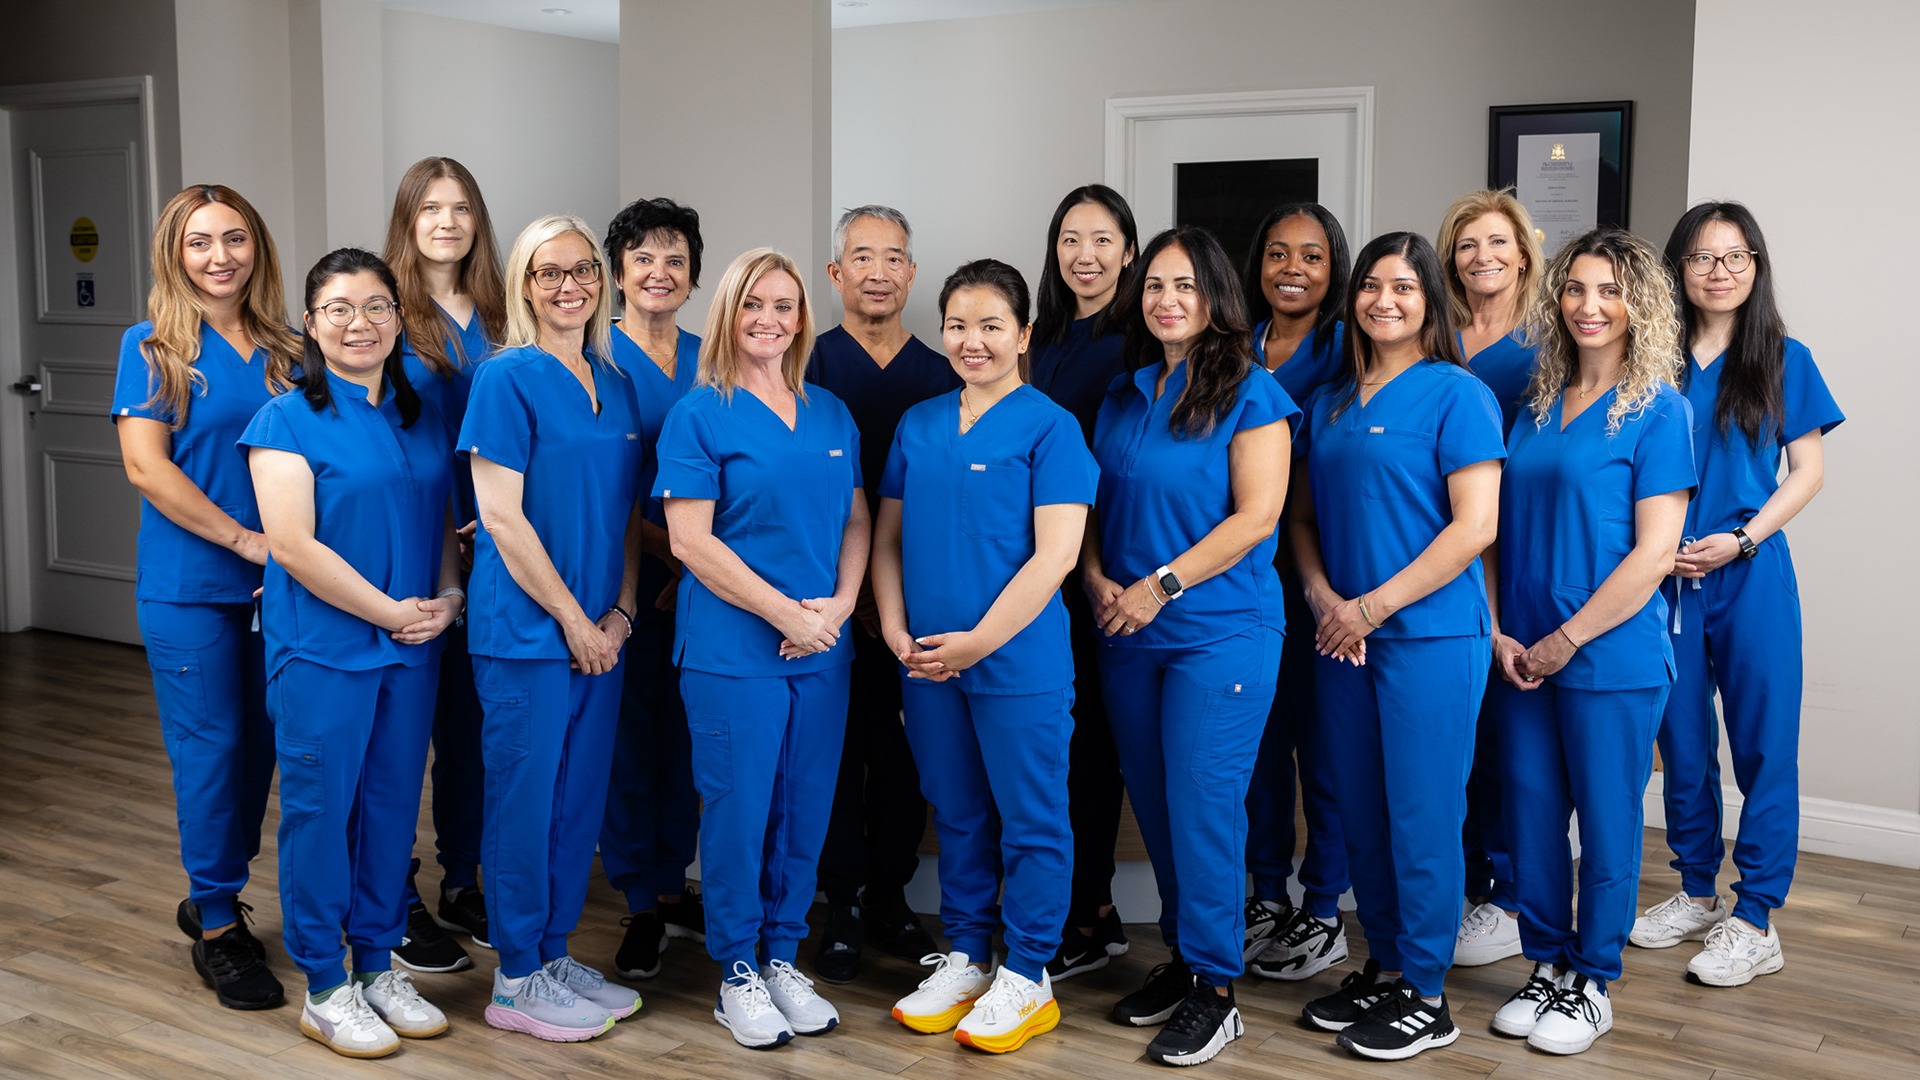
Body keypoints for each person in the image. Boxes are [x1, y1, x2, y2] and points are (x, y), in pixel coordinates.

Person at [243, 248, 466, 1057]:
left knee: (388, 813)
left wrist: (448, 598)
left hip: (411, 648)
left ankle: (376, 964)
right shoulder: (283, 420)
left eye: (376, 307)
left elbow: (439, 518)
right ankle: (325, 983)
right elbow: (294, 547)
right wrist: (390, 613)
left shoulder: (420, 415)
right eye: (338, 308)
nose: (359, 323)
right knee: (319, 814)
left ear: (399, 318)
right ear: (311, 323)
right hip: (326, 651)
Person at [872, 260, 1096, 1053]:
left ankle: (1028, 972)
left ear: (1024, 334)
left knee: (1031, 817)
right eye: (959, 325)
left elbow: (1055, 557)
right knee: (959, 812)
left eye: (992, 325)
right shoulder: (920, 423)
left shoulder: (1050, 427)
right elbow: (887, 538)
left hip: (1017, 663)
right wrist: (895, 628)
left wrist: (978, 643)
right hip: (928, 662)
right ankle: (969, 955)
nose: (973, 340)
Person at [1291, 231, 1503, 1061]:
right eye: (1372, 285)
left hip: (1429, 638)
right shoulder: (1331, 401)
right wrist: (1321, 597)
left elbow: (1475, 527)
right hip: (1341, 638)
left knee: (1421, 813)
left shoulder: (1459, 394)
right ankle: (1386, 964)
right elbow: (1301, 520)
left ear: (1430, 302)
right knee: (1356, 810)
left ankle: (1427, 990)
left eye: (1405, 287)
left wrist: (1371, 606)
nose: (1385, 300)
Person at [1087, 226, 1295, 1067]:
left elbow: (1257, 518)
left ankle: (1218, 990)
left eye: (1186, 286)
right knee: (1161, 805)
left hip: (1221, 633)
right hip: (1127, 633)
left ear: (1217, 298)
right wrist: (1098, 578)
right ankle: (1181, 959)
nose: (1167, 300)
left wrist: (1158, 586)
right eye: (1155, 287)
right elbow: (1093, 506)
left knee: (1205, 806)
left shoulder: (1253, 390)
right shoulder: (1124, 393)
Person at [1485, 228, 1694, 1056]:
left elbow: (1653, 554)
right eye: (1575, 288)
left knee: (1607, 822)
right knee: (1532, 813)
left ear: (1638, 304)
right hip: (1524, 654)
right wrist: (1503, 630)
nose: (1589, 305)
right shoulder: (1533, 406)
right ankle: (1545, 965)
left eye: (1609, 290)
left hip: (1610, 655)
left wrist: (1567, 639)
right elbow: (1495, 532)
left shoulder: (1660, 411)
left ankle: (1592, 979)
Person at [656, 248, 869, 1049]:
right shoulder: (698, 413)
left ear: (802, 317)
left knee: (802, 809)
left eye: (784, 305)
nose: (768, 320)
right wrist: (788, 612)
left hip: (823, 646)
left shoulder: (830, 411)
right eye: (752, 305)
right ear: (727, 315)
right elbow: (688, 539)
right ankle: (736, 971)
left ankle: (782, 955)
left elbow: (855, 521)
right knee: (740, 812)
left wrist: (841, 607)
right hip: (731, 651)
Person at [1630, 202, 1843, 986]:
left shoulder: (1785, 358)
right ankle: (1695, 890)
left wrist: (1743, 538)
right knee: (1680, 744)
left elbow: (1808, 472)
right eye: (1701, 258)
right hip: (1667, 576)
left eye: (1735, 256)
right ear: (1677, 270)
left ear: (1755, 265)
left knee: (1761, 744)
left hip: (1748, 571)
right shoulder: (1648, 359)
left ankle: (1755, 915)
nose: (1719, 271)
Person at [111, 183, 301, 1011]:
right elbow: (147, 467)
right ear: (173, 254)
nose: (219, 256)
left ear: (257, 248)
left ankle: (213, 889)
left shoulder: (289, 347)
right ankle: (221, 926)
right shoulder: (152, 347)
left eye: (234, 239)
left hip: (285, 590)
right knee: (213, 750)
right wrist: (244, 540)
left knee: (263, 751)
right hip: (195, 589)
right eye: (199, 242)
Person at [460, 214, 645, 1041]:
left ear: (601, 283)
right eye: (547, 273)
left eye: (583, 271)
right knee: (525, 804)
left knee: (577, 802)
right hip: (527, 634)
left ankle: (552, 950)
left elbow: (631, 514)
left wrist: (620, 614)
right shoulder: (505, 379)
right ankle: (515, 977)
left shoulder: (616, 379)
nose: (568, 286)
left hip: (601, 633)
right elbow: (500, 517)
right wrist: (574, 620)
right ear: (521, 286)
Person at [806, 205, 954, 984]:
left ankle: (893, 896)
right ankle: (843, 903)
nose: (877, 271)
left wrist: (889, 600)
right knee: (837, 751)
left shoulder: (942, 374)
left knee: (905, 753)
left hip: (914, 603)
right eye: (860, 257)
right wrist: (847, 594)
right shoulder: (808, 364)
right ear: (836, 275)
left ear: (911, 274)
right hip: (824, 598)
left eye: (893, 257)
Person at [383, 155, 508, 972]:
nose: (448, 222)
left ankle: (464, 878)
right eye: (431, 208)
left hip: (497, 545)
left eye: (462, 207)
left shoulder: (506, 313)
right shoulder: (380, 310)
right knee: (395, 735)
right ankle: (391, 897)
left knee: (473, 727)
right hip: (408, 544)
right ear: (408, 218)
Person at [1235, 203, 1353, 981]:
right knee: (1259, 750)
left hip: (1319, 571)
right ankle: (1265, 894)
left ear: (1333, 268)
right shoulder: (1237, 347)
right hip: (1247, 576)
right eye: (1278, 254)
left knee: (1326, 748)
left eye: (1311, 257)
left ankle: (1324, 907)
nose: (1292, 269)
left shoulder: (1348, 345)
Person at [1027, 184, 1139, 981]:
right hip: (1043, 572)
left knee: (1094, 746)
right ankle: (1071, 907)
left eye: (1103, 240)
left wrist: (1098, 570)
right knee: (1057, 746)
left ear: (1128, 252)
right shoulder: (1043, 338)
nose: (1086, 255)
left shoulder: (1137, 339)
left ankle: (1092, 913)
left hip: (1107, 569)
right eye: (1071, 239)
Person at [1434, 188, 1548, 967]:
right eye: (1468, 244)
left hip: (1518, 544)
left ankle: (1510, 895)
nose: (1483, 257)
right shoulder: (1435, 340)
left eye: (1497, 243)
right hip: (1447, 553)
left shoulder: (1547, 345)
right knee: (1460, 738)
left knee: (1511, 734)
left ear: (1523, 254)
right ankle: (1472, 884)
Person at [598, 196, 708, 981]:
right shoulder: (592, 361)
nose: (658, 273)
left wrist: (696, 568)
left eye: (675, 259)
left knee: (691, 740)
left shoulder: (719, 356)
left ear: (694, 273)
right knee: (632, 743)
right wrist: (670, 561)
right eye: (642, 259)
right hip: (627, 581)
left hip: (707, 587)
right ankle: (640, 902)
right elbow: (600, 492)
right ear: (617, 273)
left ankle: (675, 884)